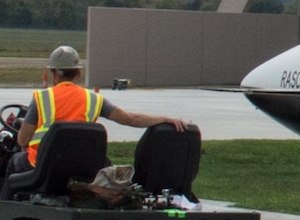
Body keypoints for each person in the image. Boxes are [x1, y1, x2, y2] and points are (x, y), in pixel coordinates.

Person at [15, 45, 191, 165]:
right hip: (81, 164)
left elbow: (23, 140)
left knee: (12, 165)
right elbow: (130, 119)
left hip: (43, 164)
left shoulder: (41, 98)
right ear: (77, 74)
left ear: (53, 73)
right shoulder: (94, 100)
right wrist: (164, 118)